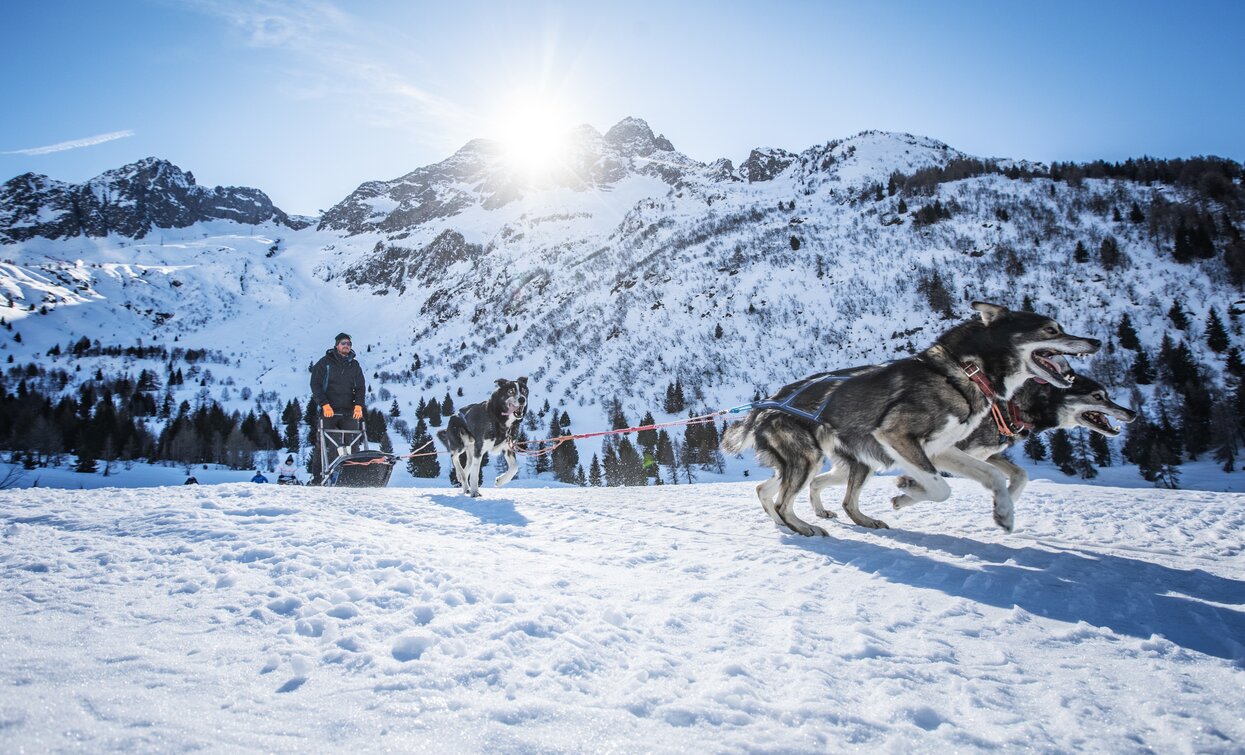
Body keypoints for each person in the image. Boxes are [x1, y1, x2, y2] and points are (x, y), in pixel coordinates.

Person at [310, 332, 367, 483]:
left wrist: (358, 406)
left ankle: (355, 477)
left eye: (349, 344)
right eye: (343, 343)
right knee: (325, 444)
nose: (346, 346)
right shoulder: (325, 362)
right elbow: (315, 384)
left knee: (353, 443)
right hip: (329, 410)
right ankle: (318, 477)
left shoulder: (354, 365)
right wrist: (324, 404)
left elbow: (360, 387)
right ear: (336, 345)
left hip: (349, 411)